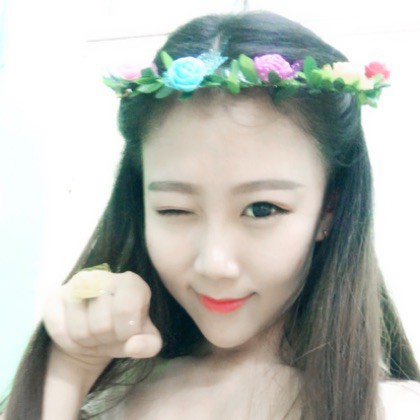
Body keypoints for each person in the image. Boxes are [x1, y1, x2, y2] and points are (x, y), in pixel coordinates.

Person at [1, 10, 420, 420]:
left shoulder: (395, 409)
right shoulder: (105, 401)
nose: (215, 264)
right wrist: (67, 373)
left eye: (262, 209)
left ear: (329, 209)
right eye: (175, 209)